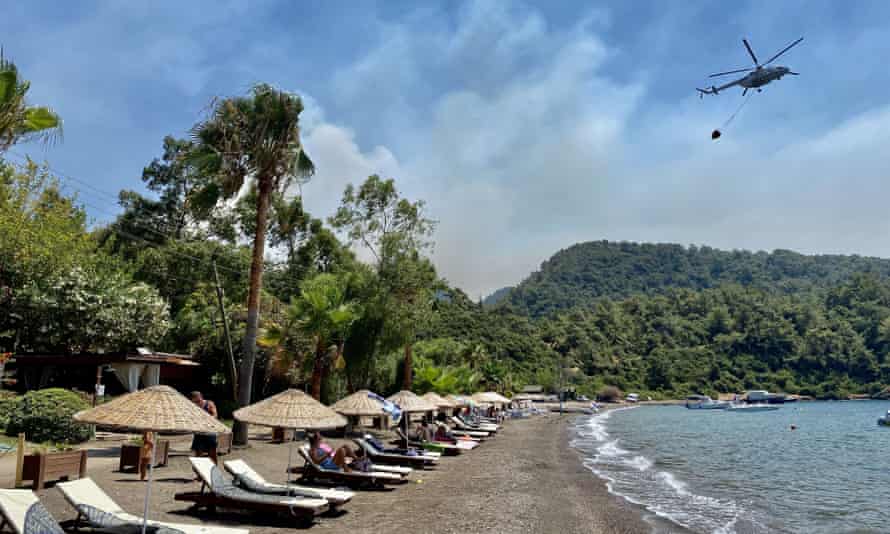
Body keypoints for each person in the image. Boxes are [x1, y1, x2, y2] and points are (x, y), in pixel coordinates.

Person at [189, 391, 219, 465]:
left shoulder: (209, 404)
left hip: (210, 431)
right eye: (195, 401)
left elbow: (215, 416)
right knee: (198, 453)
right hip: (199, 432)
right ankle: (199, 473)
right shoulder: (193, 407)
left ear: (201, 397)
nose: (197, 402)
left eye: (198, 400)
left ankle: (215, 470)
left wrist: (206, 420)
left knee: (212, 453)